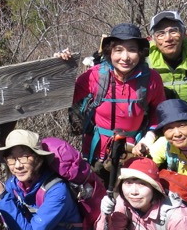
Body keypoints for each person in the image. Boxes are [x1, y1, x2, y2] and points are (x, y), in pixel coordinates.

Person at [65, 23, 166, 163]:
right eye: (118, 50)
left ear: (140, 53)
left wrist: (148, 139)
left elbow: (159, 114)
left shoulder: (151, 79)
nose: (125, 57)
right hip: (96, 153)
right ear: (109, 52)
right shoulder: (95, 75)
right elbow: (62, 97)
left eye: (132, 50)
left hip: (133, 152)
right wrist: (60, 66)